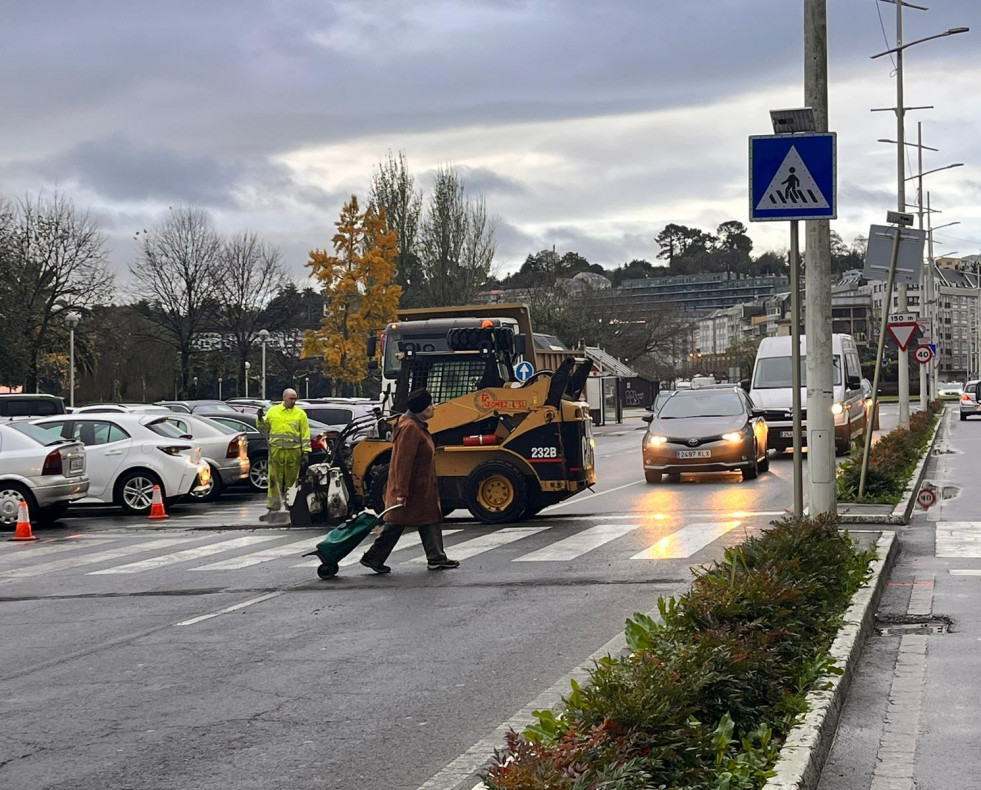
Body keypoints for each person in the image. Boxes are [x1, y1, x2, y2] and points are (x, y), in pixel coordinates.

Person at [360, 388, 459, 573]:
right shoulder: (410, 429)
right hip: (414, 489)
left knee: (428, 519)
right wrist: (400, 492)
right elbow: (402, 463)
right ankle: (373, 557)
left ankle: (436, 557)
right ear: (421, 408)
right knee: (396, 522)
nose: (434, 407)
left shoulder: (413, 426)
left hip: (421, 488)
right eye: (430, 404)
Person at [257, 388, 310, 523]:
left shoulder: (300, 414)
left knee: (292, 482)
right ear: (284, 398)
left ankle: (290, 507)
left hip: (293, 453)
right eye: (291, 398)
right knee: (274, 480)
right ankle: (273, 509)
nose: (293, 401)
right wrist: (259, 418)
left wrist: (306, 452)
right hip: (276, 452)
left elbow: (305, 434)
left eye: (295, 399)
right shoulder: (273, 412)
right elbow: (264, 430)